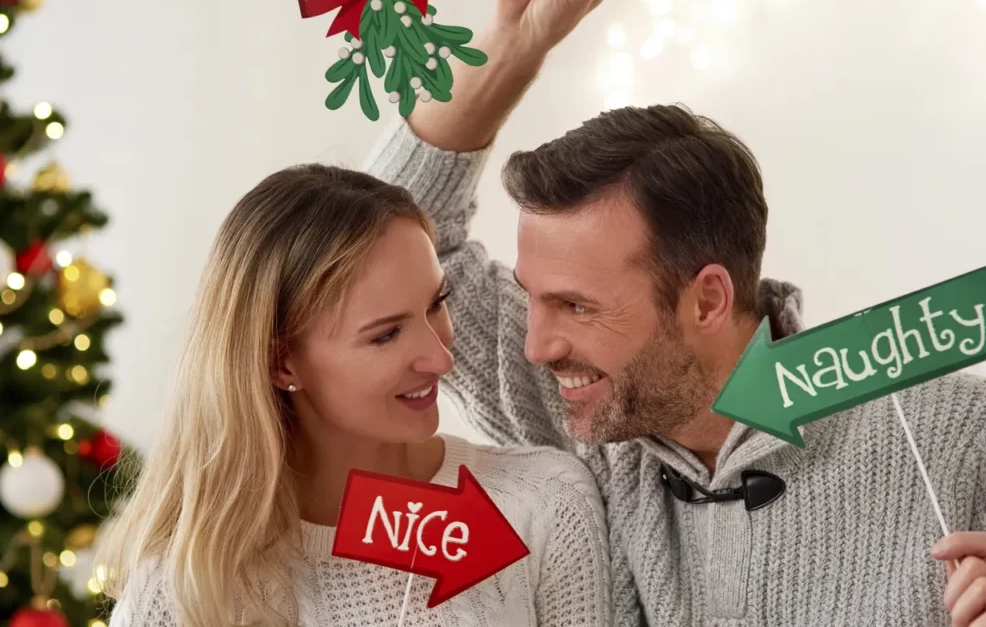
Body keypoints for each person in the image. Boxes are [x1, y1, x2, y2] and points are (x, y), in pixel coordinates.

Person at [364, 0, 986, 624]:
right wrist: (517, 36)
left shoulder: (974, 440)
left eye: (578, 306)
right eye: (538, 300)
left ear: (707, 300)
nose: (537, 344)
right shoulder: (590, 419)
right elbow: (375, 242)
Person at [96, 165, 612, 626]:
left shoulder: (545, 501)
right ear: (281, 362)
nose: (441, 359)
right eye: (386, 334)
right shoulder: (187, 586)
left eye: (437, 304)